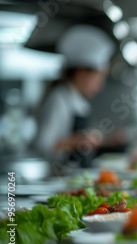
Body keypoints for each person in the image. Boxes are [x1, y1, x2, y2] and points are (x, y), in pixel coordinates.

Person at [33, 24, 115, 169]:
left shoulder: (79, 101)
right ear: (82, 73)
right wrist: (77, 140)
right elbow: (42, 146)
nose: (100, 86)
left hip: (74, 176)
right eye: (98, 78)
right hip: (57, 176)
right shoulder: (59, 98)